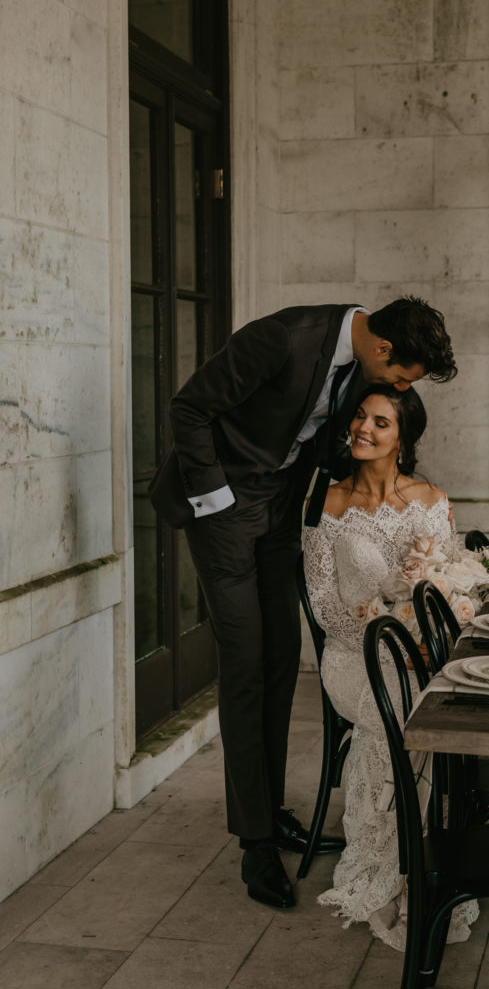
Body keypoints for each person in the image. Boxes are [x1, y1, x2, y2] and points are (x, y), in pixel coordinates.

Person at [148, 297, 457, 910]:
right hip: (225, 508)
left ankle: (270, 809)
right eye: (398, 378)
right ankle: (254, 844)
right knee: (245, 666)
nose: (395, 390)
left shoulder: (359, 364)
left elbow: (321, 438)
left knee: (282, 659)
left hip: (284, 508)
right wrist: (218, 501)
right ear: (383, 349)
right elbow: (189, 407)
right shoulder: (285, 338)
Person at [303, 386, 478, 949]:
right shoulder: (324, 505)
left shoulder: (432, 499)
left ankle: (422, 860)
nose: (364, 429)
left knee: (429, 702)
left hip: (422, 656)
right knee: (403, 705)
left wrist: (419, 641)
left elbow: (444, 585)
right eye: (359, 417)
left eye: (381, 422)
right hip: (353, 658)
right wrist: (392, 643)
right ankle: (403, 870)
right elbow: (327, 608)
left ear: (404, 437)